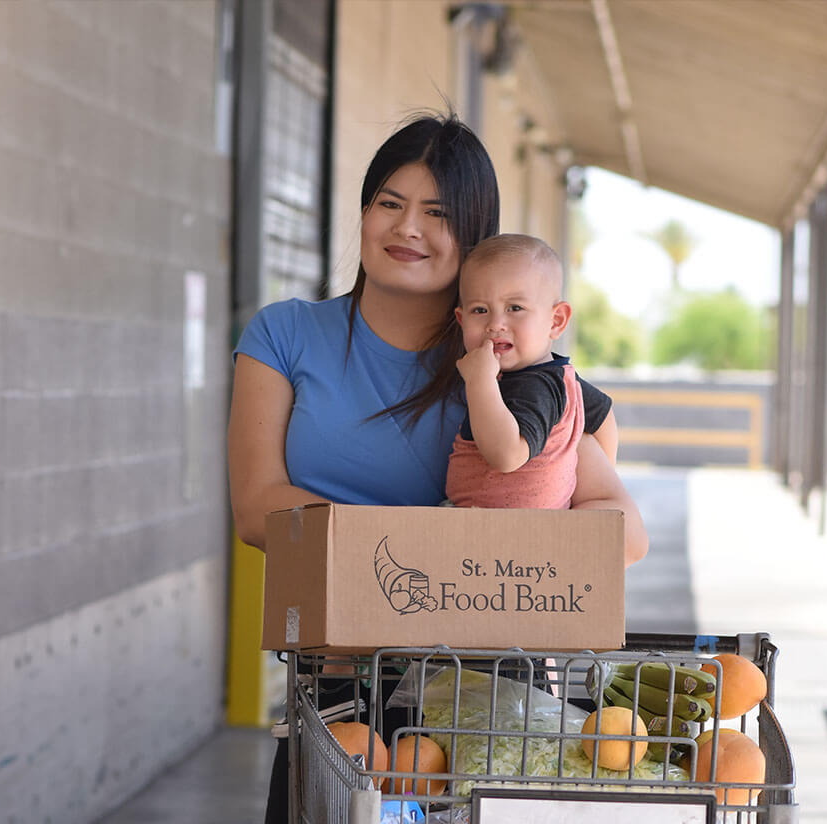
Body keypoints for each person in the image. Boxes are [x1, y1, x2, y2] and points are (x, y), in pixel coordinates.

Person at [227, 111, 648, 824]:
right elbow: (259, 504)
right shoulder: (285, 333)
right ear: (363, 212)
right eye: (388, 203)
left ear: (475, 235)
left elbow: (618, 536)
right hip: (335, 681)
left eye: (437, 213)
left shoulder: (508, 375)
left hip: (479, 691)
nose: (407, 228)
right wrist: (435, 553)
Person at [446, 233, 610, 509]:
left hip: (511, 531)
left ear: (555, 321)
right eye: (480, 310)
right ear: (461, 320)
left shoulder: (534, 387)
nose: (496, 323)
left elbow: (507, 455)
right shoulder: (563, 378)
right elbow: (603, 415)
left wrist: (480, 381)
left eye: (515, 308)